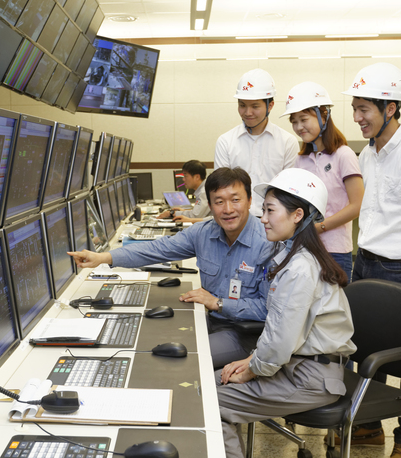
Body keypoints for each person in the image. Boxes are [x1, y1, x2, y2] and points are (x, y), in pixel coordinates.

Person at [69, 167, 271, 368]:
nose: (228, 209)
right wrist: (103, 257)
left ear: (250, 200)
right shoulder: (203, 233)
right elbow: (156, 249)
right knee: (149, 339)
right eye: (219, 202)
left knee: (183, 360)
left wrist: (218, 303)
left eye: (235, 200)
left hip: (243, 333)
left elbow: (270, 309)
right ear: (209, 205)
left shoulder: (268, 243)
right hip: (208, 320)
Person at [217, 168, 355, 458]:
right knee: (215, 381)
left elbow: (281, 341)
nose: (263, 218)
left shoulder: (300, 269)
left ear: (297, 215)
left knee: (211, 398)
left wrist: (252, 370)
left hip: (310, 378)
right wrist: (251, 359)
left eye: (269, 210)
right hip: (296, 366)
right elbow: (281, 332)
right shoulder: (291, 256)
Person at [340, 62, 401, 458]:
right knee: (360, 348)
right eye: (355, 109)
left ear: (391, 108)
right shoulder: (367, 155)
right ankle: (369, 428)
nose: (358, 118)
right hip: (365, 261)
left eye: (365, 109)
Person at [283, 81, 363, 280]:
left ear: (324, 115)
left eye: (303, 119)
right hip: (303, 248)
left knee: (333, 309)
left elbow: (357, 205)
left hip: (335, 251)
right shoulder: (300, 160)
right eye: (294, 121)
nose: (298, 127)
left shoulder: (343, 155)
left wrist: (320, 227)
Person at [214, 68, 298, 216]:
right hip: (235, 220)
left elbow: (290, 191)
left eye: (255, 106)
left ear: (270, 106)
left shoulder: (287, 142)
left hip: (275, 222)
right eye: (242, 105)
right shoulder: (225, 141)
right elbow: (221, 190)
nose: (247, 112)